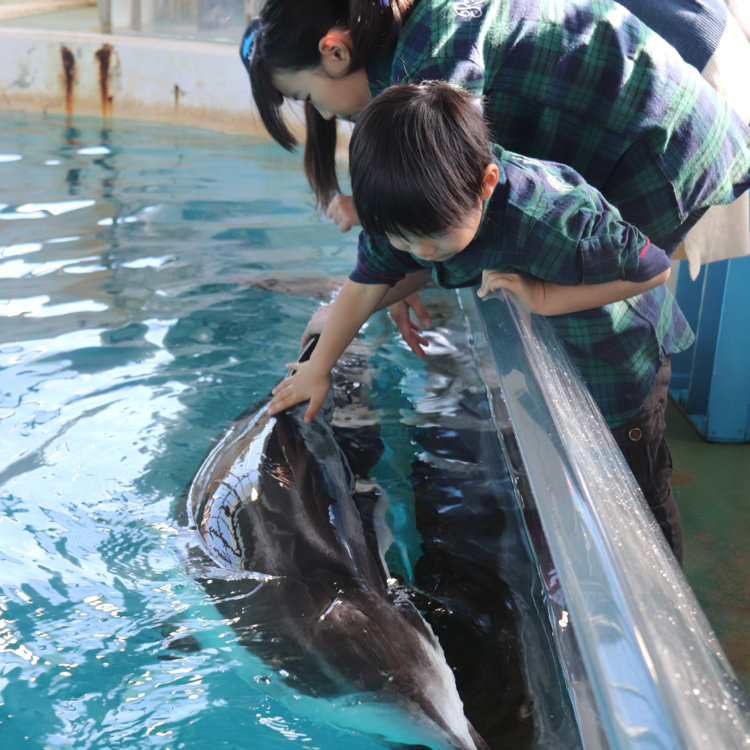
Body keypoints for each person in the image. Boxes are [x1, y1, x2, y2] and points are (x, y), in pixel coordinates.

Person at [268, 82, 696, 562]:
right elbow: (368, 283)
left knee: (639, 487)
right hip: (560, 353)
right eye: (405, 242)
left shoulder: (549, 216)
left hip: (622, 358)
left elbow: (653, 267)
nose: (421, 254)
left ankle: (664, 574)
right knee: (565, 465)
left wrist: (545, 298)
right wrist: (318, 368)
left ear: (487, 183)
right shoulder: (408, 207)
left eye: (433, 239)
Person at [239, 0, 750, 348]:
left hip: (657, 146)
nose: (323, 115)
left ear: (334, 50)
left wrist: (359, 301)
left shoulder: (430, 68)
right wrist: (390, 266)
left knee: (609, 302)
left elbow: (459, 208)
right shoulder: (413, 29)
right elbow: (441, 213)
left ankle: (633, 453)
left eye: (309, 98)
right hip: (650, 122)